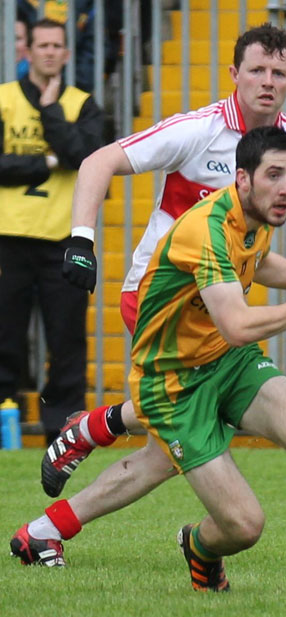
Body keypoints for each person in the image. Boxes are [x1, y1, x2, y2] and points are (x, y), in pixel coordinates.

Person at [10, 127, 286, 589]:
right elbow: (236, 324)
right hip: (174, 381)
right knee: (242, 525)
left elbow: (256, 262)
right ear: (241, 179)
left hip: (226, 361)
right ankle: (197, 544)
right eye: (273, 175)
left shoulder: (254, 219)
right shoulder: (208, 229)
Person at [39, 22, 286, 500]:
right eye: (257, 70)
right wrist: (81, 241)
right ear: (235, 73)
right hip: (155, 294)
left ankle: (84, 441)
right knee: (193, 416)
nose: (267, 81)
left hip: (220, 304)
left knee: (190, 416)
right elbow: (96, 162)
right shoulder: (198, 130)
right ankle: (191, 536)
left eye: (278, 72)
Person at [0, 18, 104, 444]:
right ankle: (5, 415)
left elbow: (86, 157)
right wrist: (44, 162)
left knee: (67, 342)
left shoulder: (83, 104)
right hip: (10, 236)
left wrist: (48, 113)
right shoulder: (4, 99)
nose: (48, 51)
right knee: (5, 335)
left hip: (64, 239)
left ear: (65, 53)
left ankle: (59, 429)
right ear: (28, 51)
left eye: (56, 45)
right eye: (41, 44)